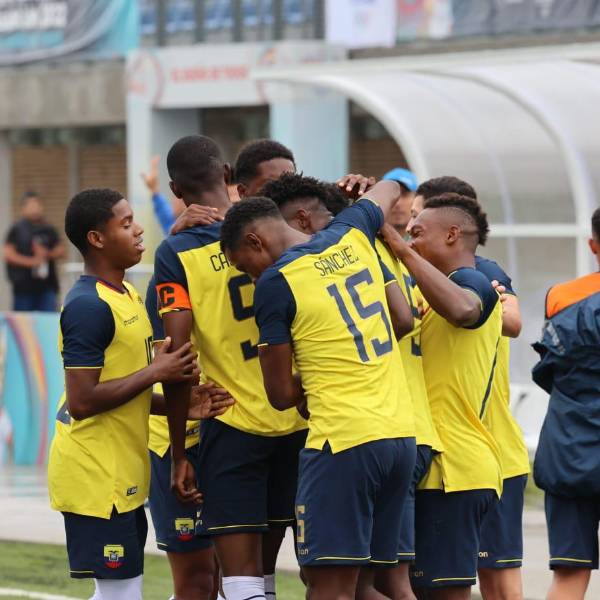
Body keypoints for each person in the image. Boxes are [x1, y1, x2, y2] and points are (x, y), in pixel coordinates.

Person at [220, 180, 417, 600]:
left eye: (245, 266)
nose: (251, 276)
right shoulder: (352, 230)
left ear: (255, 240)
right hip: (399, 437)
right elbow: (390, 187)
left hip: (342, 443)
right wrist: (357, 191)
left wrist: (313, 381)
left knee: (327, 587)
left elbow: (279, 395)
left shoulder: (277, 282)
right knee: (365, 587)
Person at [154, 135, 307, 600]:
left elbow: (178, 358)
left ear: (176, 190)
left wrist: (180, 453)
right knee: (269, 575)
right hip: (297, 416)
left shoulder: (178, 251)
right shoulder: (288, 235)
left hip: (232, 421)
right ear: (227, 175)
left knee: (239, 580)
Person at [47, 188, 199, 600]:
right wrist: (156, 371)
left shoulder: (127, 293)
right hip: (96, 476)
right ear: (97, 238)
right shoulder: (87, 306)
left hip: (124, 472)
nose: (138, 231)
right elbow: (82, 401)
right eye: (126, 224)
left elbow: (123, 391)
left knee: (122, 591)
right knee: (122, 593)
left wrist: (182, 406)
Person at [411, 177, 529, 600]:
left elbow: (510, 321)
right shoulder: (427, 280)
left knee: (496, 580)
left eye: (417, 224)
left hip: (481, 453)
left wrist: (484, 295)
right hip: (442, 453)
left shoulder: (478, 274)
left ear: (453, 232)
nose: (408, 235)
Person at [382, 193, 503, 599]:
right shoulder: (427, 292)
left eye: (417, 233)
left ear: (452, 235)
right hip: (427, 462)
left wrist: (400, 249)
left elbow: (465, 310)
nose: (409, 241)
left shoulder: (473, 281)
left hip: (455, 468)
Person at [145, 276, 234, 600]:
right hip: (178, 439)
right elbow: (172, 364)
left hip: (232, 435)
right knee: (198, 582)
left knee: (231, 579)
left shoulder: (245, 266)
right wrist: (179, 455)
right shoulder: (173, 273)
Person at [532, 207, 600, 600]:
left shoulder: (561, 297)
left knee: (569, 574)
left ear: (593, 245)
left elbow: (550, 371)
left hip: (569, 451)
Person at [4, 191, 65, 311]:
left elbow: (61, 250)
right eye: (30, 205)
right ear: (23, 208)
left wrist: (47, 254)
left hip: (47, 287)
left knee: (48, 319)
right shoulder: (16, 229)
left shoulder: (48, 229)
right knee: (23, 320)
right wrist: (32, 262)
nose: (34, 208)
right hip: (23, 288)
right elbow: (8, 254)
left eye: (37, 204)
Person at [382, 167, 419, 238]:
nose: (397, 203)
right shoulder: (367, 239)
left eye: (404, 195)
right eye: (391, 195)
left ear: (416, 199)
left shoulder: (430, 242)